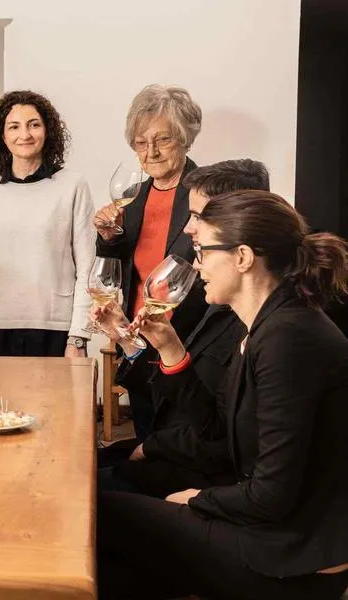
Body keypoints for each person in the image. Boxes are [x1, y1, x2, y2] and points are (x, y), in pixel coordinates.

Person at [98, 190, 348, 600]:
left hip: (293, 560)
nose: (197, 265)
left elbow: (272, 494)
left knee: (100, 512)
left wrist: (198, 500)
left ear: (243, 257)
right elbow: (215, 432)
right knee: (110, 571)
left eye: (202, 251)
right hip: (273, 532)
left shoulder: (288, 338)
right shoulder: (266, 324)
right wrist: (169, 347)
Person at [97, 159, 270, 496]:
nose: (188, 229)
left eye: (197, 216)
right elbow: (173, 394)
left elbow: (222, 435)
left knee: (75, 488)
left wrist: (152, 447)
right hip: (174, 449)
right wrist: (127, 340)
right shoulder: (208, 296)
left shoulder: (260, 322)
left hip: (198, 475)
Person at [93, 83, 208, 441]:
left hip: (189, 343)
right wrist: (108, 237)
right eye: (141, 143)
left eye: (163, 140)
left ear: (186, 139)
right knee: (147, 440)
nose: (151, 152)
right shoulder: (133, 197)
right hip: (139, 341)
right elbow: (115, 267)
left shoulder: (207, 194)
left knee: (187, 443)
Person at [0, 90, 95, 358]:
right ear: (2, 136)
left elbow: (87, 268)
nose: (24, 134)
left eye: (33, 125)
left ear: (47, 131)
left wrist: (78, 336)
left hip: (55, 327)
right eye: (14, 127)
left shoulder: (72, 185)